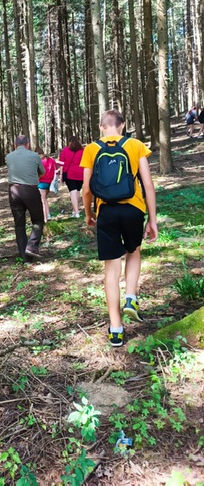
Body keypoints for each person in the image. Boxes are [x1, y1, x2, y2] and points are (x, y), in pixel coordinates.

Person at [81, 109, 158, 347]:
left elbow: (86, 189)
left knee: (111, 268)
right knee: (133, 251)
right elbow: (148, 184)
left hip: (106, 212)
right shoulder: (135, 145)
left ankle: (116, 329)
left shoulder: (91, 149)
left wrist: (89, 214)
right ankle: (131, 297)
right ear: (122, 125)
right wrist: (152, 219)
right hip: (133, 209)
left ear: (101, 127)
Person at [5, 135, 45, 261]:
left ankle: (25, 257)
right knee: (38, 220)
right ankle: (32, 245)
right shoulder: (35, 156)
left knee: (19, 224)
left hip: (14, 191)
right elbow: (42, 171)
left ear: (15, 145)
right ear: (28, 144)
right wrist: (33, 177)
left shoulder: (8, 157)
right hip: (30, 191)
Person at [59, 137, 84, 218]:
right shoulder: (82, 150)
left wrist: (61, 175)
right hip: (81, 174)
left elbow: (61, 164)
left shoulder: (65, 150)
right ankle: (75, 210)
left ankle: (76, 212)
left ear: (69, 142)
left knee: (73, 192)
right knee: (77, 192)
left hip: (70, 174)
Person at [37, 149, 58, 222]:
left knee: (43, 200)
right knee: (45, 199)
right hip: (50, 183)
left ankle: (45, 218)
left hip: (42, 183)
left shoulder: (39, 162)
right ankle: (48, 215)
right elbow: (56, 169)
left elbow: (39, 173)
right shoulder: (52, 160)